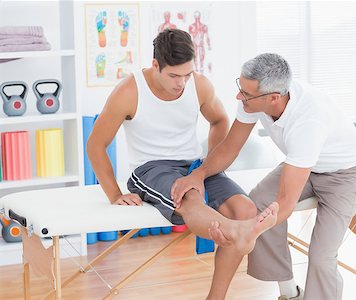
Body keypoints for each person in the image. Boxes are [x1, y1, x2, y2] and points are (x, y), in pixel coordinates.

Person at [87, 29, 279, 300]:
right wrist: (115, 194)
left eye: (187, 74)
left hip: (194, 166)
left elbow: (220, 120)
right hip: (151, 169)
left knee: (245, 209)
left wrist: (211, 166)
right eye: (174, 76)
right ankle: (237, 232)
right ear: (156, 65)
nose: (181, 83)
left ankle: (217, 294)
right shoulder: (130, 91)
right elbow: (95, 144)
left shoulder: (198, 84)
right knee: (189, 196)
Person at [171, 53, 356, 300]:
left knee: (321, 255)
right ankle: (290, 292)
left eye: (246, 94)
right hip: (303, 165)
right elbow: (231, 146)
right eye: (240, 88)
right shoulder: (253, 98)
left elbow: (284, 203)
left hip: (343, 174)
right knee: (259, 203)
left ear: (273, 97)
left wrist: (247, 232)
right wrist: (198, 175)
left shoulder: (308, 121)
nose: (238, 96)